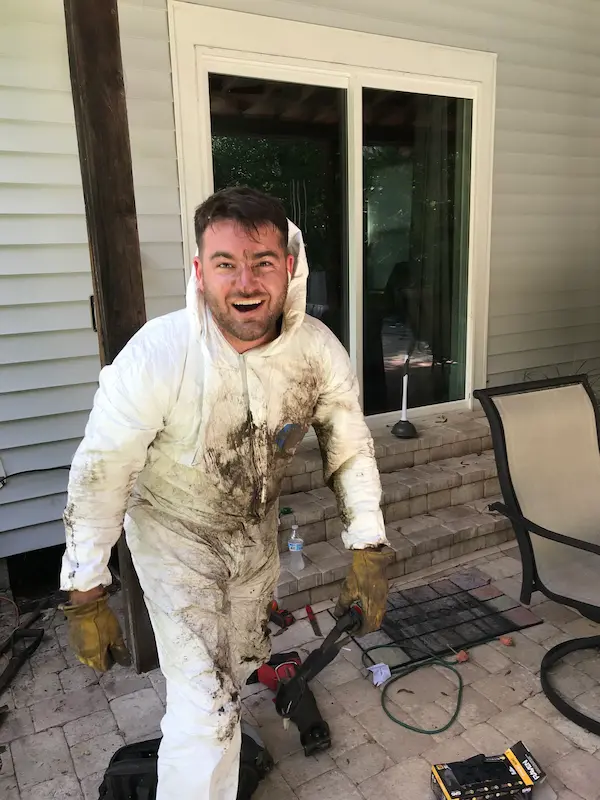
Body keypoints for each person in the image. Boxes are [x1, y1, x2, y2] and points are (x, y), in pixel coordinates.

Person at [59, 187, 389, 800]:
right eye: (226, 263)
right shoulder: (159, 355)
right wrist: (86, 590)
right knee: (205, 709)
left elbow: (349, 444)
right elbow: (101, 472)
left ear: (289, 266)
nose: (246, 281)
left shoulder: (315, 351)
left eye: (263, 261)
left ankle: (208, 754)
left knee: (228, 677)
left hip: (251, 542)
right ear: (199, 270)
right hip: (172, 543)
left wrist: (368, 545)